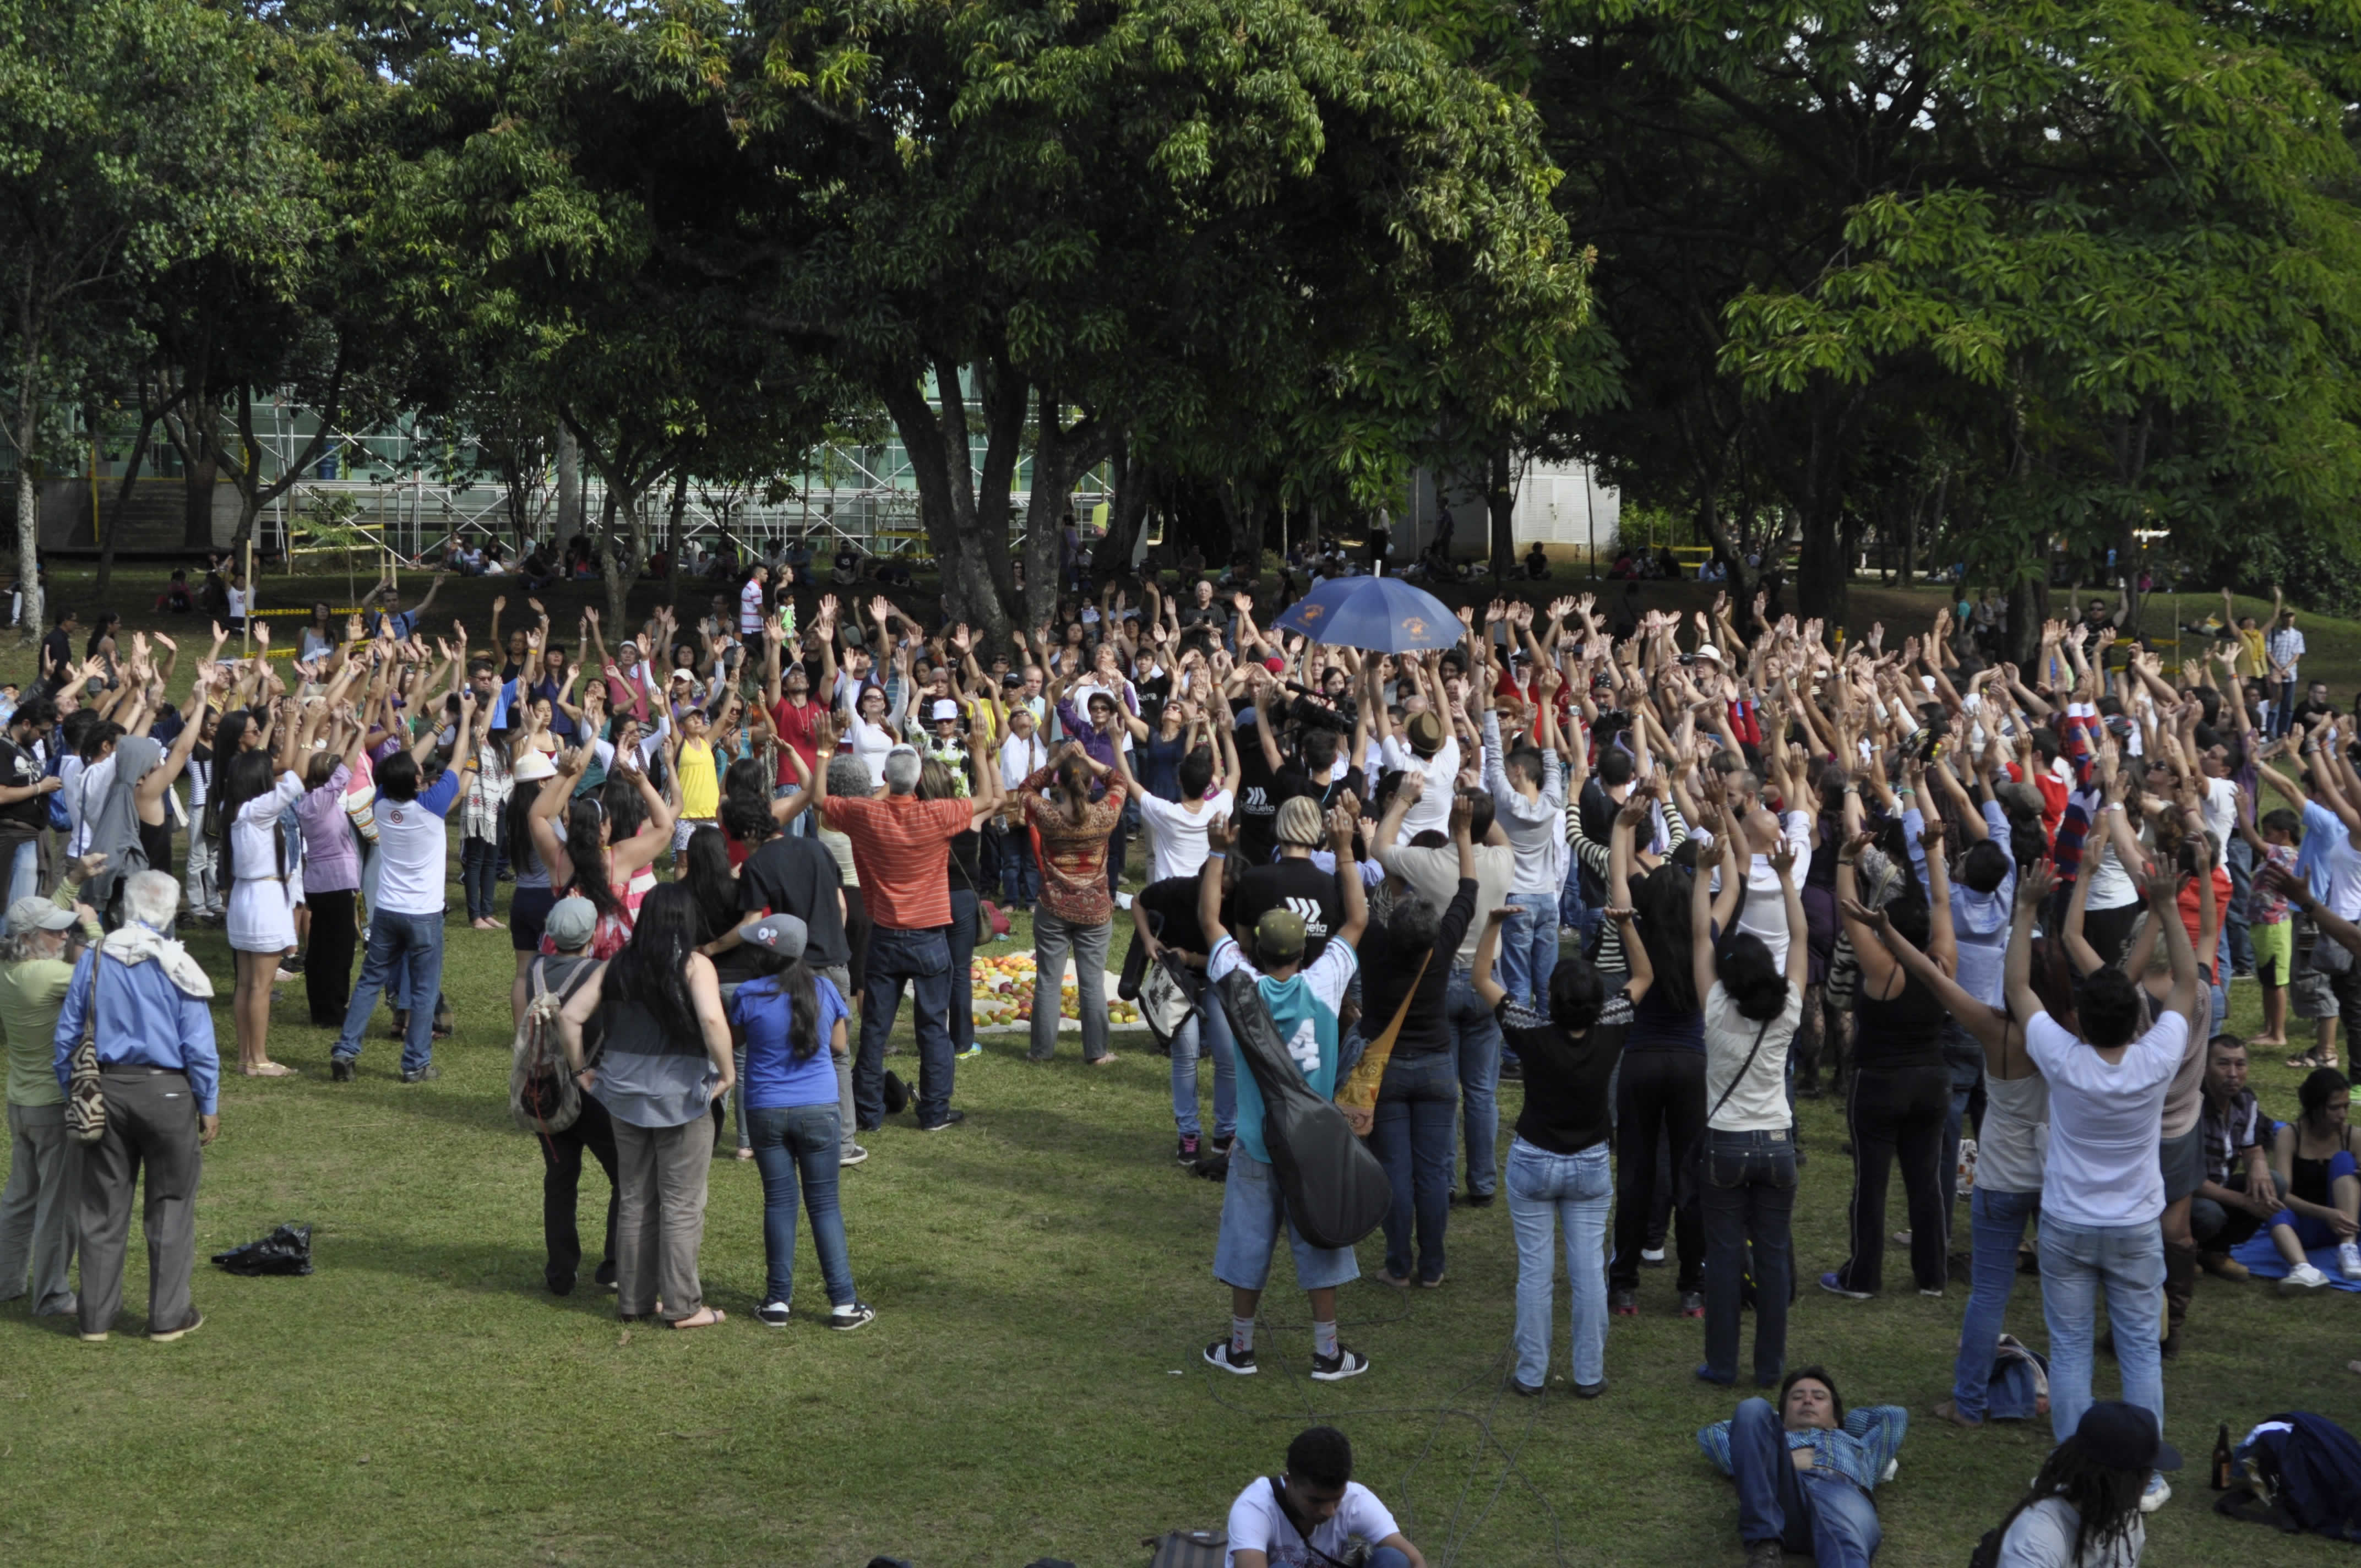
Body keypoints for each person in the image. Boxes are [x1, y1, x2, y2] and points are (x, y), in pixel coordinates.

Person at [2008, 865, 2197, 1511]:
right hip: (2134, 1227)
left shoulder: (2063, 1058)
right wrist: (2168, 905)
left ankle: (2069, 1474)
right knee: (2140, 1349)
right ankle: (2144, 1475)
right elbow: (2190, 986)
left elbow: (2016, 988)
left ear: (2081, 1021)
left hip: (2065, 1223)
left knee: (2067, 1351)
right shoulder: (2155, 1057)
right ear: (2133, 1018)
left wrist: (2028, 910)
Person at [1199, 802, 1371, 1381]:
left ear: (1258, 950)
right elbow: (1355, 922)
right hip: (1313, 1143)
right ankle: (1327, 1353)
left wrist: (1217, 851)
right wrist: (1345, 850)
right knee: (1318, 1241)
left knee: (1248, 1245)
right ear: (1302, 951)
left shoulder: (1240, 984)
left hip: (1255, 1138)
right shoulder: (1324, 983)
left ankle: (1240, 1348)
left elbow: (1210, 924)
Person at [1477, 873, 1641, 1396]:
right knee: (1590, 1272)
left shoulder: (1530, 1032)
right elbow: (1645, 974)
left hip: (1534, 1160)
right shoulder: (1614, 1025)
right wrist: (1627, 926)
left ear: (1550, 999)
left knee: (1535, 1273)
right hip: (1590, 1162)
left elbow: (1484, 976)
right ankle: (1589, 1374)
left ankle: (1531, 1373)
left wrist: (1492, 927)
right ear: (1598, 1001)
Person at [556, 883, 735, 1328]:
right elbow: (712, 1019)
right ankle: (683, 1306)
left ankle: (633, 1301)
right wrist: (729, 1074)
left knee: (635, 1196)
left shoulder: (618, 966)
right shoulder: (695, 965)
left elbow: (569, 1016)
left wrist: (582, 1072)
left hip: (622, 1095)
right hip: (683, 1098)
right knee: (682, 1203)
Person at [52, 870, 219, 1342]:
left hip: (105, 1089)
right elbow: (199, 1046)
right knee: (170, 1204)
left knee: (102, 1207)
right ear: (168, 910)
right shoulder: (176, 963)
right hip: (167, 1093)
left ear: (126, 907)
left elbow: (67, 1034)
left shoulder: (97, 957)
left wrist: (75, 1091)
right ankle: (168, 1317)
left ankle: (95, 1320)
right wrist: (208, 1102)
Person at [820, 736, 998, 1133]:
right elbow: (987, 796)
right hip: (930, 937)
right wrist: (981, 750)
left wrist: (823, 750)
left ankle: (867, 1113)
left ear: (884, 777)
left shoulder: (866, 814)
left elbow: (819, 798)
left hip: (885, 936)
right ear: (919, 781)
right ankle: (934, 1112)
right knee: (933, 1027)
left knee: (875, 1030)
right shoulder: (937, 814)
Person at [1693, 826, 1808, 1389]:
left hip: (1725, 1143)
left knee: (1722, 1255)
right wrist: (1787, 880)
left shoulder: (1715, 1007)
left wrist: (1702, 874)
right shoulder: (1787, 1010)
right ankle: (1768, 1367)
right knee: (1771, 1254)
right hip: (1777, 1144)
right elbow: (1802, 937)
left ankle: (1720, 1363)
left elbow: (1699, 935)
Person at [1823, 817, 1955, 1300]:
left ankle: (1863, 1277)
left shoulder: (1882, 968)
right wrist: (1935, 853)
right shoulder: (1942, 964)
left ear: (1889, 930)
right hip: (1931, 1081)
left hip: (1878, 1084)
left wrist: (1843, 860)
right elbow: (1941, 903)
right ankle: (1932, 1277)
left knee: (1871, 1186)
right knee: (1926, 1184)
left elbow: (1848, 914)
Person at [329, 688, 486, 1084]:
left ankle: (346, 1051)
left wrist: (440, 724)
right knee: (424, 989)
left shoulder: (381, 801)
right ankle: (415, 1063)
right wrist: (464, 720)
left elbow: (404, 765)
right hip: (424, 915)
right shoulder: (430, 806)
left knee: (369, 981)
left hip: (388, 911)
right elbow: (454, 762)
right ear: (418, 782)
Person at [728, 914, 873, 1330]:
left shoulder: (747, 995)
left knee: (779, 1203)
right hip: (820, 1111)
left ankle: (777, 1302)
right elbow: (840, 1044)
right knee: (824, 1205)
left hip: (765, 1111)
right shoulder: (824, 988)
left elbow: (736, 1041)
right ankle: (844, 1303)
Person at [1362, 796, 1482, 1292]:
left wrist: (1351, 852)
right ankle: (1431, 1267)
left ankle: (1396, 1264)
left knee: (1395, 1171)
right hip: (1436, 1067)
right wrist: (1463, 833)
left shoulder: (1373, 946)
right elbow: (1468, 892)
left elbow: (1352, 908)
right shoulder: (1442, 947)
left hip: (1387, 1071)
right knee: (1434, 1174)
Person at [0, 865, 102, 1317]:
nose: (65, 939)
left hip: (20, 1104)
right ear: (32, 938)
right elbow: (105, 971)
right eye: (55, 934)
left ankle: (6, 1282)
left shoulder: (12, 966)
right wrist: (93, 925)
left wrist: (73, 881)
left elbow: (43, 918)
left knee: (19, 1200)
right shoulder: (46, 975)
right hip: (51, 1110)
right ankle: (53, 1295)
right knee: (59, 1209)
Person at [1697, 1367, 1908, 1568]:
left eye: (1819, 1397)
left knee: (1846, 1544)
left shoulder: (1862, 1446)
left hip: (1843, 1494)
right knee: (1752, 1407)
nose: (1808, 1401)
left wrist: (1843, 1423)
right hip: (1781, 1502)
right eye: (1797, 1398)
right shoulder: (1773, 1440)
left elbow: (1894, 1416)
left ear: (1835, 1416)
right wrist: (1774, 1427)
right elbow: (1714, 1433)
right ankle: (1765, 1546)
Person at [515, 896, 618, 1295]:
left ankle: (560, 1271)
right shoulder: (600, 972)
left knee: (559, 1180)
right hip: (593, 1089)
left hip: (545, 1092)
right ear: (593, 934)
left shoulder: (535, 970)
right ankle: (613, 1265)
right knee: (624, 1179)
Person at [1019, 741, 1125, 1066]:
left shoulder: (1048, 815)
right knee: (1092, 982)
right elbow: (1119, 781)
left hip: (1053, 907)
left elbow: (1025, 789)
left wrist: (1059, 760)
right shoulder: (1105, 815)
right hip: (1095, 911)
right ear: (1089, 783)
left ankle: (1041, 1051)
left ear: (1060, 784)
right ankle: (1097, 1052)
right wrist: (1087, 760)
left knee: (1049, 980)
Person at [1984, 1401, 2170, 1568]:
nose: (2149, 1482)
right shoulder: (2036, 1540)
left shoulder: (2125, 1518)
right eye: (2148, 1472)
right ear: (2124, 1481)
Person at [1223, 1426, 1427, 1568]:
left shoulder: (1357, 1500)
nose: (1329, 1511)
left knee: (1395, 1560)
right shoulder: (1254, 1508)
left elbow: (1414, 1560)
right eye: (1316, 1501)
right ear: (1289, 1481)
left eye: (1337, 1498)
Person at [2261, 1065, 2361, 1288]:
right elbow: (2283, 1194)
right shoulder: (2290, 1135)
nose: (2343, 1115)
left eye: (2346, 1107)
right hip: (2307, 1225)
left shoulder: (2353, 1136)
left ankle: (2348, 1250)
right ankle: (2303, 1268)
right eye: (2334, 1108)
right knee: (2273, 1206)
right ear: (2314, 1107)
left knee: (2344, 1159)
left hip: (2349, 1226)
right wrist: (2326, 1214)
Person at [2191, 1035, 2273, 1277]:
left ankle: (2215, 1252)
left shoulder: (2247, 1100)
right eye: (2224, 1064)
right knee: (2209, 1214)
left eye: (2240, 1064)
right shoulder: (2191, 1105)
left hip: (2220, 1187)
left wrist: (2259, 1166)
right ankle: (2180, 1251)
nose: (2233, 1073)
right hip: (2185, 1194)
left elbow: (2252, 1147)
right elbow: (2188, 1178)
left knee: (2273, 1185)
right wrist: (2244, 1202)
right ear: (2204, 1068)